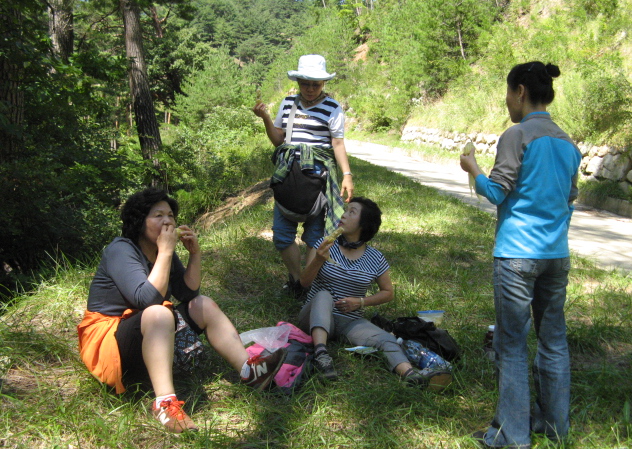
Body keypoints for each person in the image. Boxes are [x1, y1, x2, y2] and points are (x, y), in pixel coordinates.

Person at [77, 188, 287, 434]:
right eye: (158, 215)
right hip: (111, 341)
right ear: (139, 221)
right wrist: (166, 251)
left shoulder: (162, 250)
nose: (167, 221)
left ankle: (250, 371)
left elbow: (188, 294)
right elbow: (146, 300)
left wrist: (194, 254)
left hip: (149, 335)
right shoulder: (121, 250)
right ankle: (165, 404)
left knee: (204, 305)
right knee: (158, 312)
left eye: (170, 215)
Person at [460, 62, 582, 448]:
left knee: (511, 345)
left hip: (516, 255)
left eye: (508, 92)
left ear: (521, 92)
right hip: (556, 256)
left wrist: (472, 167)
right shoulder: (568, 143)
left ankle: (512, 436)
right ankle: (554, 427)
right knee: (554, 341)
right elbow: (570, 200)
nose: (507, 100)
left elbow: (496, 192)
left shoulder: (516, 135)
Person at [297, 197, 452, 391]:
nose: (344, 215)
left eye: (352, 212)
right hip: (315, 317)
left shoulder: (375, 258)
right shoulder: (324, 244)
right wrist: (318, 260)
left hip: (349, 320)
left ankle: (411, 375)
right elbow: (304, 282)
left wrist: (360, 302)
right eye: (345, 210)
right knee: (323, 295)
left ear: (364, 224)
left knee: (386, 338)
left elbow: (388, 293)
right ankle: (321, 355)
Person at [253, 54, 354, 299]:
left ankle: (307, 284)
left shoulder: (333, 107)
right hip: (288, 176)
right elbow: (279, 139)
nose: (310, 89)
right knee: (282, 234)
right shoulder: (288, 104)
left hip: (318, 179)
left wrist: (347, 175)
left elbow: (337, 143)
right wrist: (266, 117)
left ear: (323, 84)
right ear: (298, 81)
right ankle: (297, 279)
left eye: (315, 84)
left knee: (315, 235)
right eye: (305, 83)